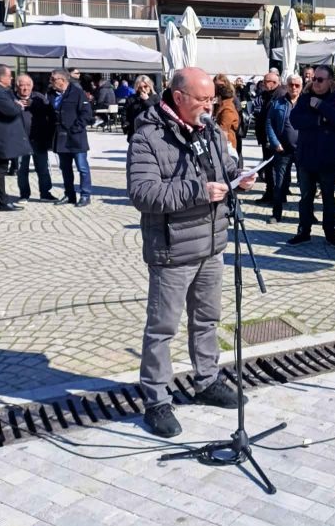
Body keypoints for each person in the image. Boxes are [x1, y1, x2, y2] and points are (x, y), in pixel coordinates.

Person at [127, 67, 254, 438]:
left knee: (207, 320)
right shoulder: (147, 136)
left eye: (211, 98)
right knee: (162, 328)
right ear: (178, 97)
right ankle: (157, 400)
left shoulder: (210, 129)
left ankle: (207, 380)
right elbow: (143, 194)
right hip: (172, 249)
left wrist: (242, 177)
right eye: (202, 99)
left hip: (212, 244)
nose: (209, 105)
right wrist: (199, 190)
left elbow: (228, 166)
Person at [288, 65, 335, 246]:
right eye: (314, 79)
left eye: (320, 79)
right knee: (306, 196)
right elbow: (295, 120)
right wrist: (319, 120)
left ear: (330, 81)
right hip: (306, 157)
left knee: (328, 197)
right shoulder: (305, 99)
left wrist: (321, 106)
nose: (316, 82)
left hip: (327, 158)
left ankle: (330, 232)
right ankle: (303, 231)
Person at [0, 65, 31, 212]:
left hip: (1, 136)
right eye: (10, 76)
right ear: (2, 77)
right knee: (0, 169)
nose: (11, 78)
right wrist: (18, 105)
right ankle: (2, 201)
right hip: (0, 137)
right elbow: (11, 110)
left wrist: (16, 104)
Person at [49, 68, 93, 207]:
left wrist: (76, 128)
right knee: (65, 168)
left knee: (82, 168)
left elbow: (86, 113)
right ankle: (69, 195)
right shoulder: (51, 94)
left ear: (62, 80)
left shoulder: (77, 93)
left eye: (53, 79)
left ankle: (85, 195)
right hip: (61, 138)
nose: (51, 82)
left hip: (76, 137)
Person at [266, 75, 301, 224]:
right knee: (279, 184)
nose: (294, 87)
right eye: (291, 84)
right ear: (286, 86)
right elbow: (269, 123)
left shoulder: (306, 103)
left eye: (297, 85)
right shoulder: (277, 103)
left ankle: (308, 214)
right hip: (283, 149)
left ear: (301, 86)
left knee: (306, 185)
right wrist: (275, 142)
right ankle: (276, 213)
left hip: (302, 150)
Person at [16, 74, 56, 202]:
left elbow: (49, 113)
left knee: (42, 168)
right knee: (22, 169)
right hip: (20, 140)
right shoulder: (11, 98)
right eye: (22, 85)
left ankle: (45, 193)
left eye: (28, 85)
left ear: (32, 86)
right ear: (17, 86)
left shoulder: (39, 98)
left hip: (38, 139)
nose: (25, 88)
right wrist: (15, 106)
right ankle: (24, 194)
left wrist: (34, 104)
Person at [252, 70, 283, 205]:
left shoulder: (280, 95)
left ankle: (275, 195)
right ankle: (270, 192)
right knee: (268, 166)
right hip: (266, 136)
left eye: (266, 82)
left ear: (274, 83)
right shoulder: (267, 95)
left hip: (274, 137)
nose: (263, 84)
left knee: (274, 168)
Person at [123, 75, 157, 142]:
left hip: (151, 131)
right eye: (140, 87)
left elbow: (157, 112)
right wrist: (125, 124)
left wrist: (147, 100)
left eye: (145, 86)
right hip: (135, 131)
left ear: (150, 86)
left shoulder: (155, 98)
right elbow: (125, 112)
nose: (143, 89)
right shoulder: (132, 99)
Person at [213, 77, 240, 152]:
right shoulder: (221, 106)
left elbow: (224, 130)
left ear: (219, 96)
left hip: (226, 144)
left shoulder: (227, 109)